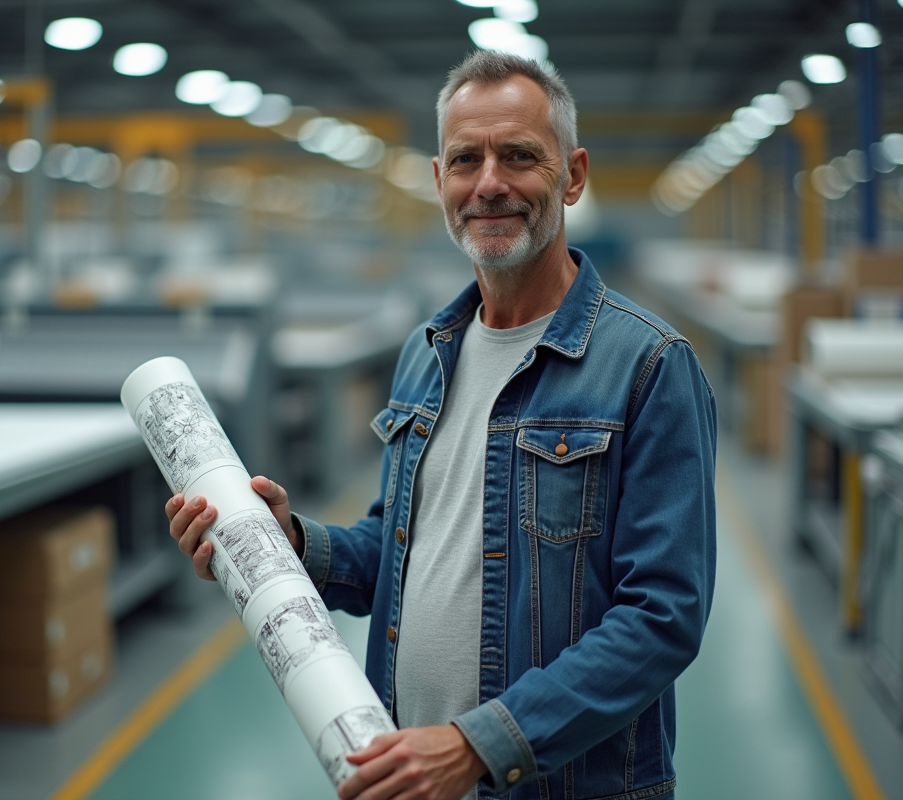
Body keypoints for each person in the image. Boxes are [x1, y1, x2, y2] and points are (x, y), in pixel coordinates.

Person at [167, 50, 717, 800]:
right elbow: (400, 548)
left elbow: (663, 618)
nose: (489, 183)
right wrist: (288, 543)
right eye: (466, 160)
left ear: (575, 175)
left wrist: (476, 746)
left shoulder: (648, 365)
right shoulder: (426, 354)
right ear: (439, 182)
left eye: (519, 155)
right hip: (406, 771)